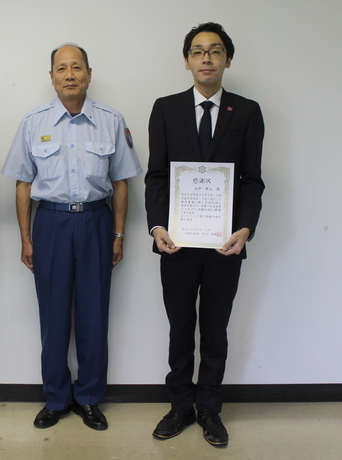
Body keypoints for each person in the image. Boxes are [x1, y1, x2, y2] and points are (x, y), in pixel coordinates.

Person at [2, 44, 142, 431]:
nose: (69, 75)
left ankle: (90, 397)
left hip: (96, 222)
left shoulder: (111, 120)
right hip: (51, 224)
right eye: (61, 69)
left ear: (89, 73)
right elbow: (22, 184)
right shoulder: (34, 122)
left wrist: (118, 234)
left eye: (76, 67)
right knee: (53, 316)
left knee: (94, 315)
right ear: (51, 77)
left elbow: (121, 182)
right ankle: (56, 397)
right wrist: (26, 239)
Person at [145, 23, 265, 447]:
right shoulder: (165, 109)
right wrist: (157, 226)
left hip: (224, 244)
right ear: (187, 61)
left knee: (215, 328)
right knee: (181, 326)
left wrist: (245, 229)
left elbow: (252, 180)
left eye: (215, 51)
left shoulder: (247, 112)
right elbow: (156, 176)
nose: (207, 58)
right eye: (198, 51)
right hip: (176, 244)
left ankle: (210, 409)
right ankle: (180, 406)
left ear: (227, 59)